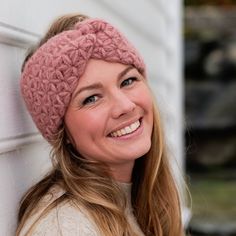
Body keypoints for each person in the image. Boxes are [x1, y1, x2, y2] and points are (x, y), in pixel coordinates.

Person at [16, 13, 185, 236]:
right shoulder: (64, 228)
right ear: (62, 131)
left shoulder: (141, 200)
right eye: (92, 98)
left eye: (128, 81)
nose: (125, 105)